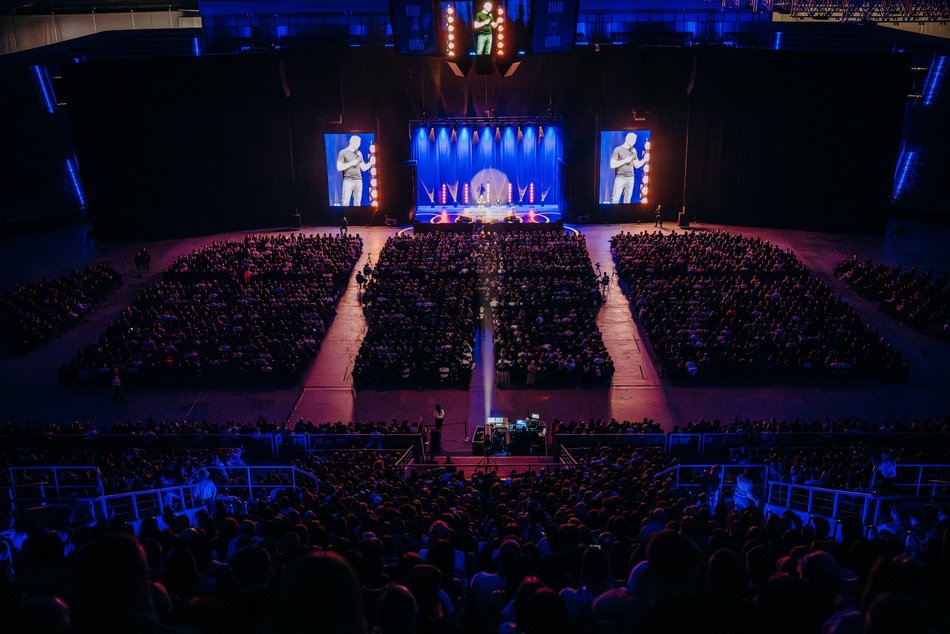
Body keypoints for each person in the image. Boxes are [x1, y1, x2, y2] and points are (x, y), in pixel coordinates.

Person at [609, 132, 648, 204]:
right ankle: (613, 214)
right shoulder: (618, 150)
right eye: (633, 140)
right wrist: (625, 160)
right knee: (615, 200)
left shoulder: (634, 150)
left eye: (635, 140)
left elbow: (636, 165)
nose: (634, 142)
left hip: (631, 178)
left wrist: (644, 160)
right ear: (627, 139)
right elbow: (612, 165)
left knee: (627, 201)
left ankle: (625, 214)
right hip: (620, 177)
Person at [336, 135, 374, 206]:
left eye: (359, 143)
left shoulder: (359, 153)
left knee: (357, 204)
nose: (358, 144)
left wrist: (370, 163)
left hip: (359, 181)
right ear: (351, 142)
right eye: (357, 142)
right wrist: (351, 163)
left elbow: (363, 168)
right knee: (345, 203)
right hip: (348, 181)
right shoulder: (343, 152)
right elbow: (339, 167)